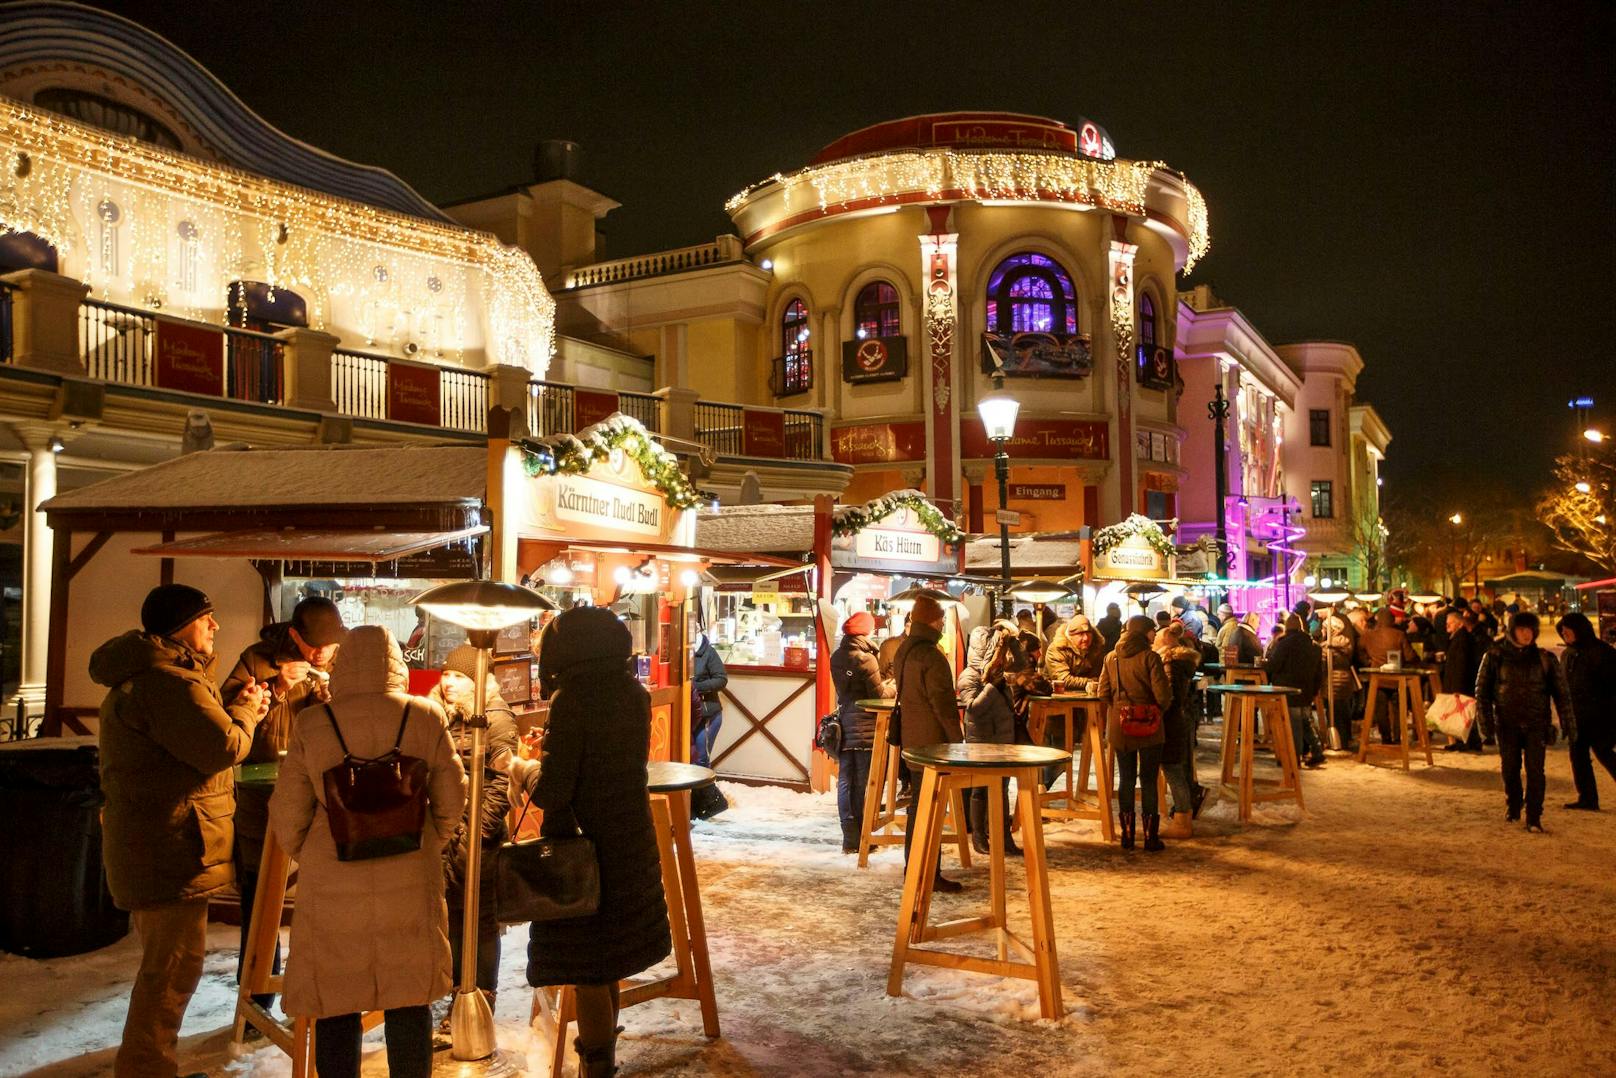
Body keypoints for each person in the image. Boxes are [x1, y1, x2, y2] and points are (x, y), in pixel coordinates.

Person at [268, 625, 463, 1078]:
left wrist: (314, 851)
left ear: (342, 666)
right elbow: (452, 799)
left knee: (335, 999)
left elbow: (288, 812)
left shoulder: (314, 722)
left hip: (332, 874)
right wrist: (427, 841)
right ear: (395, 662)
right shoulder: (426, 716)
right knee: (409, 996)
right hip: (410, 872)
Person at [92, 584, 268, 1078]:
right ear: (180, 626)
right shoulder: (169, 684)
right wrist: (250, 711)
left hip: (159, 843)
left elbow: (195, 734)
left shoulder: (160, 679)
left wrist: (233, 705)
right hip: (170, 846)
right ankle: (147, 1070)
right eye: (205, 617)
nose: (214, 625)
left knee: (168, 968)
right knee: (170, 972)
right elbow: (222, 747)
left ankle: (150, 1065)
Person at [502, 606, 672, 1076]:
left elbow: (555, 790)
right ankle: (601, 1060)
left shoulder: (572, 697)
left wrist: (524, 768)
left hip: (584, 856)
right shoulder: (632, 693)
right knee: (609, 961)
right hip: (629, 846)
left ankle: (595, 1068)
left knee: (590, 969)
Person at [220, 595, 345, 1013]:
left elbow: (349, 728)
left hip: (324, 800)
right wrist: (278, 687)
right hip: (262, 798)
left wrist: (329, 700)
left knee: (328, 901)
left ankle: (325, 998)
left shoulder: (341, 665)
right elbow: (226, 721)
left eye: (331, 645)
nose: (324, 653)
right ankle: (255, 1003)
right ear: (294, 635)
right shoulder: (257, 660)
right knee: (261, 902)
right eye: (317, 646)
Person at [427, 644, 518, 1025]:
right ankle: (457, 991)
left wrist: (476, 833)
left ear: (477, 680)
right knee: (453, 915)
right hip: (447, 830)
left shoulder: (496, 718)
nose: (449, 682)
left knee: (479, 919)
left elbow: (501, 783)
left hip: (479, 835)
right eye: (446, 674)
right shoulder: (437, 714)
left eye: (459, 676)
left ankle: (481, 998)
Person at [1476, 612, 1575, 833]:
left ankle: (1534, 816)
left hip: (1536, 723)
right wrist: (1486, 725)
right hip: (1507, 724)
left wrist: (1568, 722)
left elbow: (1561, 694)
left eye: (1530, 630)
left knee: (1536, 771)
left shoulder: (1544, 659)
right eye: (1521, 629)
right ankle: (1513, 804)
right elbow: (1482, 692)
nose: (1526, 634)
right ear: (1512, 631)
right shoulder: (1494, 656)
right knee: (1510, 769)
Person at [893, 593, 966, 893]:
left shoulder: (904, 651)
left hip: (911, 741)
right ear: (935, 621)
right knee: (931, 810)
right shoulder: (932, 656)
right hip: (933, 745)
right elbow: (944, 706)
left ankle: (915, 867)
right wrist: (958, 741)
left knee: (917, 809)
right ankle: (928, 873)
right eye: (942, 619)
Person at [1099, 616, 1173, 851]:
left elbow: (1103, 692)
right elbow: (1162, 696)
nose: (1154, 634)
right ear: (1143, 632)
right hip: (1149, 725)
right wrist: (1154, 709)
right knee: (1149, 780)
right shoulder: (1151, 657)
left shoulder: (1111, 657)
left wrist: (1120, 708)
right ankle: (1151, 837)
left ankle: (1127, 835)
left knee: (1127, 779)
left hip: (1121, 727)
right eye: (1152, 631)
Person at [829, 611, 894, 853]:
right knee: (862, 783)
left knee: (846, 781)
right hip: (867, 725)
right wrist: (892, 687)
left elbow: (849, 690)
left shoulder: (837, 656)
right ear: (865, 631)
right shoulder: (867, 659)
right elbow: (876, 696)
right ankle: (863, 837)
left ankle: (850, 838)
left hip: (846, 723)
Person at [964, 633, 1031, 856]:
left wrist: (1011, 644)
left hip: (1002, 740)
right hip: (981, 741)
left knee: (1002, 789)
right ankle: (979, 836)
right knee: (980, 790)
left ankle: (1003, 836)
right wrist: (992, 686)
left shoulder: (1001, 675)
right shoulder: (969, 676)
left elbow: (1020, 664)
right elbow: (973, 708)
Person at [1556, 612, 1616, 810]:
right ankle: (1587, 798)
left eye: (1568, 630)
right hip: (1576, 716)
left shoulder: (1602, 652)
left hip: (1600, 715)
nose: (1564, 633)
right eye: (1562, 631)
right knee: (1578, 757)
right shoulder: (1568, 654)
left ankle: (1588, 798)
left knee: (1604, 752)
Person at [1154, 622, 1204, 837]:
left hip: (1171, 723)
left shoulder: (1169, 664)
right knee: (1179, 770)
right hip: (1180, 721)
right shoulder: (1183, 662)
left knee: (1173, 771)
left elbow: (1170, 698)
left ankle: (1183, 821)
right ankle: (1184, 817)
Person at [1266, 613, 1327, 767]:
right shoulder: (1313, 645)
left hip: (1288, 690)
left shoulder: (1284, 644)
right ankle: (1317, 751)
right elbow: (1319, 672)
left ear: (1287, 627)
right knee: (1306, 721)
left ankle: (1295, 758)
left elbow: (1274, 665)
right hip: (1306, 690)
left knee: (1294, 725)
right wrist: (1314, 690)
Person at [690, 631, 730, 819]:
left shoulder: (708, 652)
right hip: (690, 714)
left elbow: (721, 679)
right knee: (694, 759)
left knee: (701, 759)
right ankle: (698, 803)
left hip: (708, 713)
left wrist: (696, 687)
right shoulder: (679, 651)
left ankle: (712, 802)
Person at [1440, 609, 1485, 753]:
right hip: (1460, 681)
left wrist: (1457, 687)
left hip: (1461, 683)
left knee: (1464, 713)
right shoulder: (1459, 637)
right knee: (1464, 713)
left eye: (1450, 623)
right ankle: (1468, 741)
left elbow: (1461, 663)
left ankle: (1466, 742)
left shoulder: (1462, 639)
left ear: (1459, 624)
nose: (1446, 626)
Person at [1320, 605, 1360, 751]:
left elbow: (1323, 666)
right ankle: (1345, 739)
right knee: (1344, 711)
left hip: (1331, 682)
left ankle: (1337, 742)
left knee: (1333, 713)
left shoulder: (1327, 647)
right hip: (1345, 680)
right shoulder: (1346, 644)